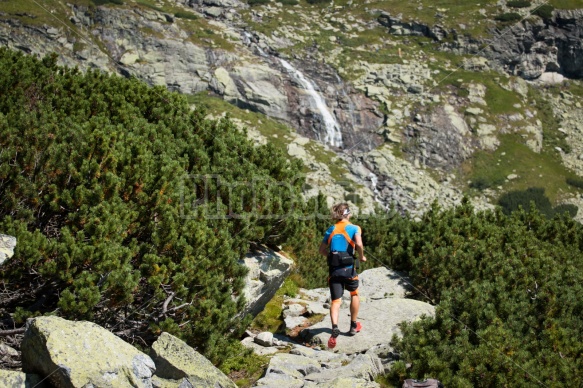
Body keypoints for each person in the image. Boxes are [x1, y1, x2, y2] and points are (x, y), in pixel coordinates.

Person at [319, 203, 366, 349]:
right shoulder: (354, 228)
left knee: (336, 301)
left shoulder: (331, 229)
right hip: (348, 269)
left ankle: (334, 327)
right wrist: (361, 256)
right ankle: (353, 325)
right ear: (347, 213)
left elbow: (321, 249)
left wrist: (331, 258)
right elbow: (358, 243)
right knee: (354, 294)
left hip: (334, 270)